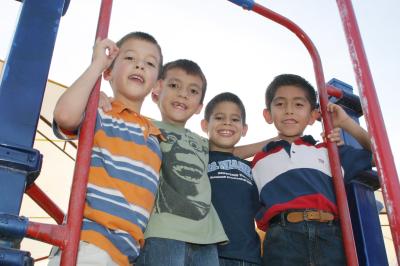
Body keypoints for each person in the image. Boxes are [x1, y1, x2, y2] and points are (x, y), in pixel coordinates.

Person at [48, 32, 164, 265]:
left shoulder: (154, 135)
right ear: (109, 72)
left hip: (125, 253)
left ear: (157, 85)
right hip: (89, 240)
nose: (140, 65)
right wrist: (96, 67)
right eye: (130, 58)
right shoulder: (100, 111)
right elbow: (65, 116)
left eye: (150, 63)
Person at [252, 74, 374, 266]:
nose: (289, 111)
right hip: (282, 238)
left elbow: (379, 154)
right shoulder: (259, 161)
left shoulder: (329, 151)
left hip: (330, 235)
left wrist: (345, 123)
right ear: (268, 115)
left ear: (312, 116)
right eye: (280, 104)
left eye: (299, 105)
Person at [133, 59, 227, 266]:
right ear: (156, 91)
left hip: (206, 238)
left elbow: (232, 151)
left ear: (198, 107)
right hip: (161, 232)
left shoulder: (202, 142)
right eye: (174, 86)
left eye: (193, 91)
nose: (183, 94)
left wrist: (276, 140)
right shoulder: (144, 125)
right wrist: (104, 99)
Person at [201, 92, 262, 266]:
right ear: (205, 125)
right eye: (219, 117)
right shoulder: (196, 157)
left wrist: (280, 139)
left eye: (235, 119)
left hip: (246, 256)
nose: (227, 122)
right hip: (203, 253)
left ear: (244, 129)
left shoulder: (252, 168)